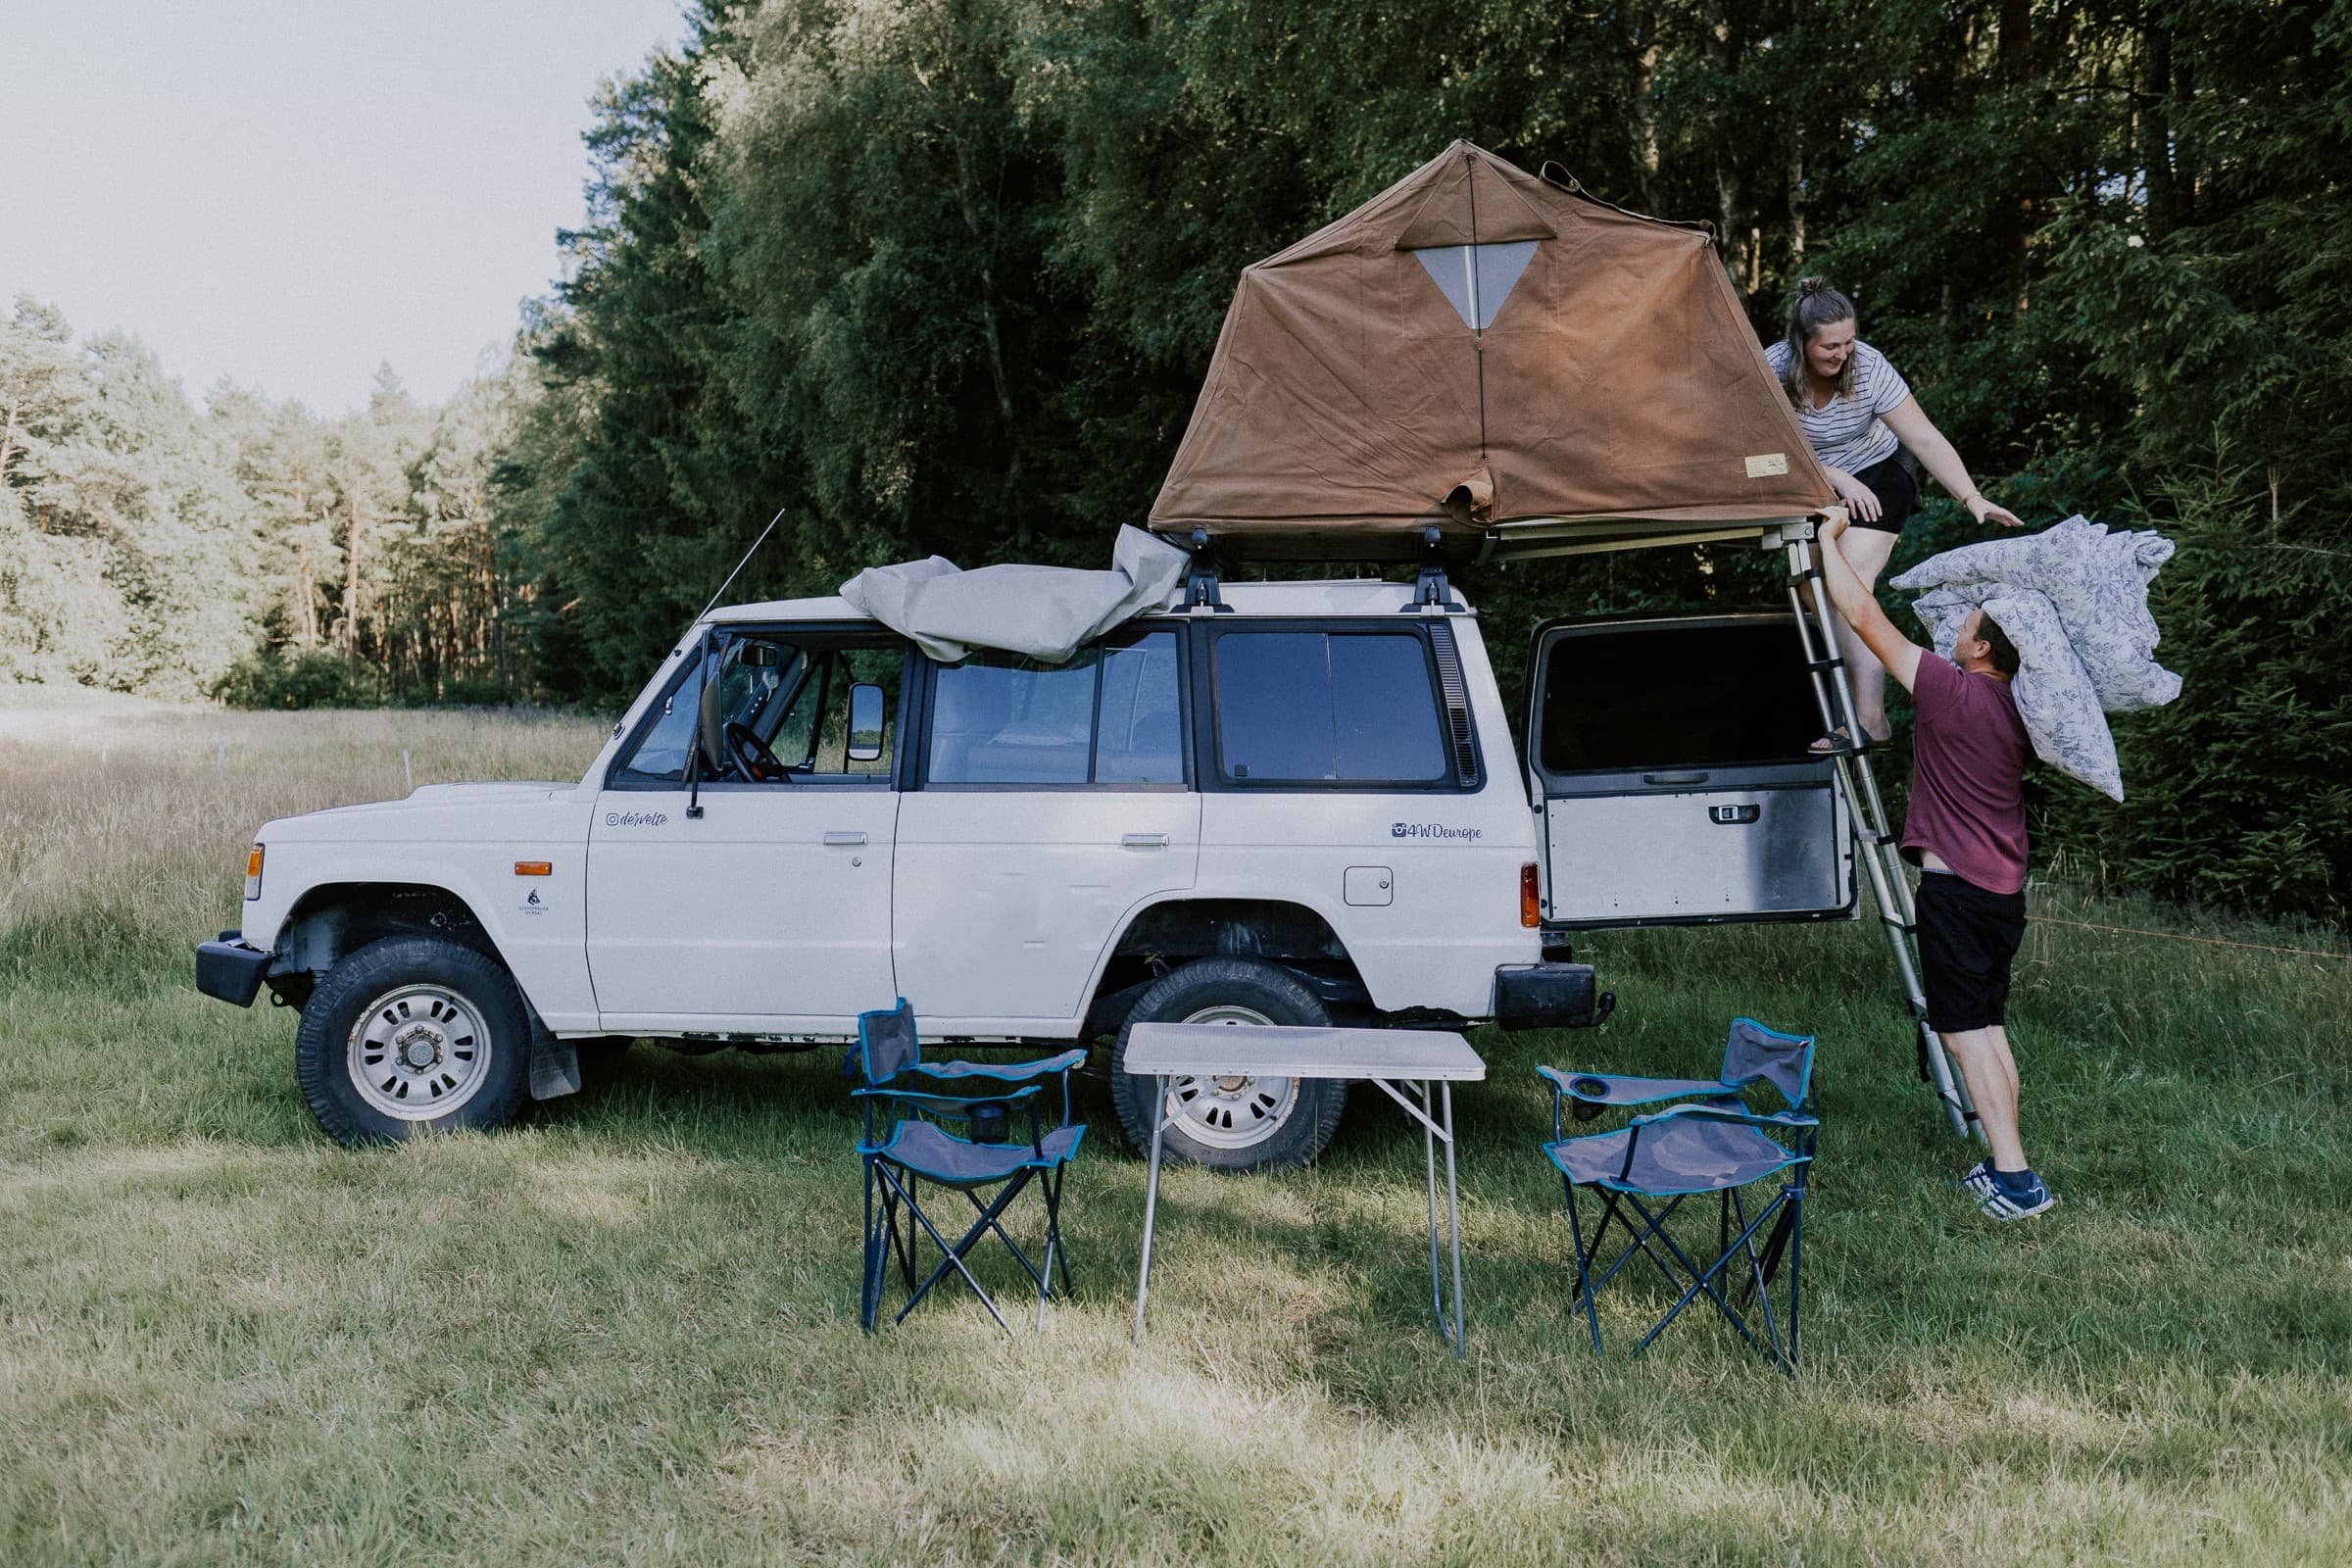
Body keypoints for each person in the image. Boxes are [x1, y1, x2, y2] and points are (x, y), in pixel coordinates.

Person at [1815, 509, 2056, 1221]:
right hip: (2003, 895)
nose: (1956, 628)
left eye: (1968, 623)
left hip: (1954, 893)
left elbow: (1860, 611)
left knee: (1963, 1032)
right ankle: (2006, 1165)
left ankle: (2015, 1181)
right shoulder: (2016, 707)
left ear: (1981, 648)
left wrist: (1827, 538)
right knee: (1989, 1026)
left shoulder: (1951, 691)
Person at [1766, 278, 2025, 749]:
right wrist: (1835, 477)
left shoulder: (1868, 367)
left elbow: (1922, 437)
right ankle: (1868, 709)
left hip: (1881, 473)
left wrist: (1971, 496)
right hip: (1814, 483)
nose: (1842, 354)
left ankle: (1868, 720)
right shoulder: (1772, 371)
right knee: (1813, 589)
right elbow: (1761, 453)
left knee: (1849, 582)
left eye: (1848, 342)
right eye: (1830, 347)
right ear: (1801, 342)